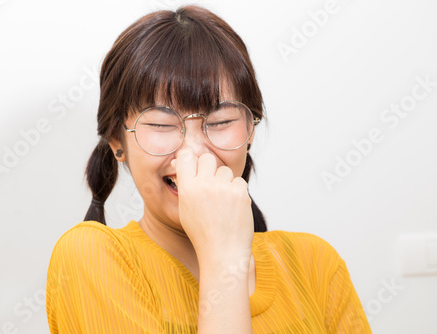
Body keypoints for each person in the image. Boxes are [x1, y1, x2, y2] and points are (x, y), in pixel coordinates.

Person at [45, 5, 372, 333]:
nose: (194, 152)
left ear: (250, 131)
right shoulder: (91, 258)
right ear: (118, 141)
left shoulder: (314, 263)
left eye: (220, 121)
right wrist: (223, 257)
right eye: (161, 124)